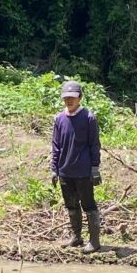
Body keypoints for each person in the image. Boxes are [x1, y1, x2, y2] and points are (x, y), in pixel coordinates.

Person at [50, 80, 101, 253]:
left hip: (83, 171)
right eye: (66, 98)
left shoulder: (88, 118)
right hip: (65, 171)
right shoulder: (59, 118)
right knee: (71, 205)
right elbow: (56, 146)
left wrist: (95, 167)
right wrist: (54, 169)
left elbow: (94, 145)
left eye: (72, 97)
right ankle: (76, 236)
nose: (69, 100)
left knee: (88, 205)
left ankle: (94, 241)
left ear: (80, 97)